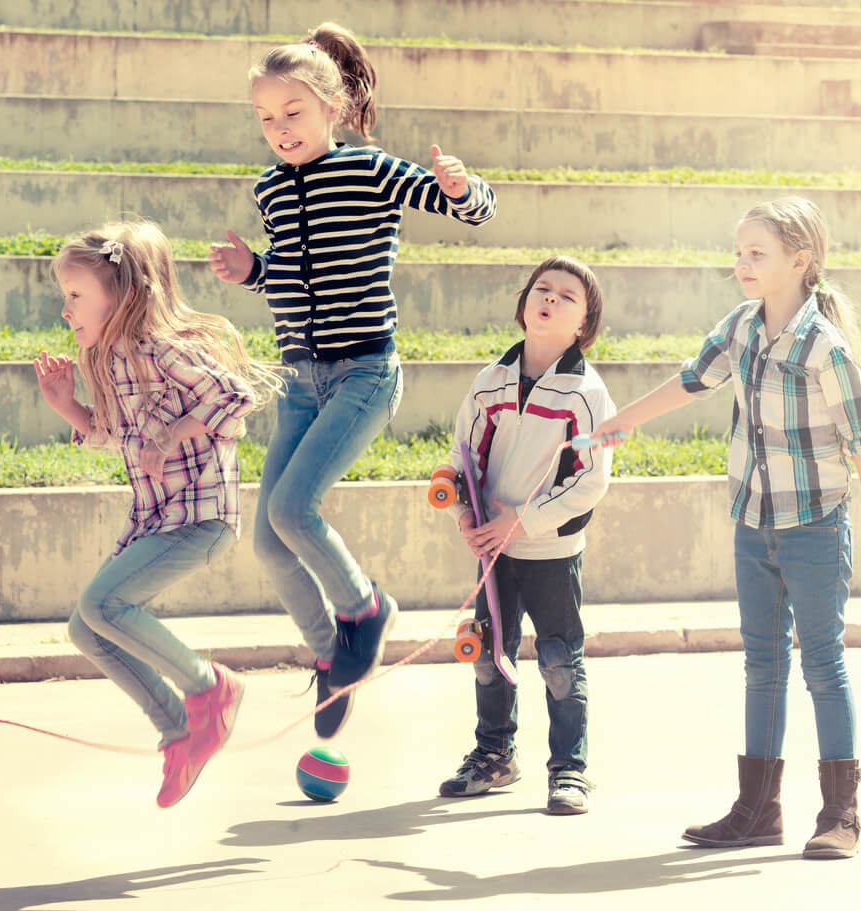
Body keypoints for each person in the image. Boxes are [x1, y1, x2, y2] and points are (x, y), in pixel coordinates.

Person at [592, 197, 861, 857]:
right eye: (739, 252)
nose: (742, 263)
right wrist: (621, 419)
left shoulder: (825, 346)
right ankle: (757, 808)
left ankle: (841, 813)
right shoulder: (740, 326)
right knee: (762, 663)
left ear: (800, 262)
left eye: (756, 253)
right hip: (753, 523)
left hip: (816, 525)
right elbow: (691, 381)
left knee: (822, 663)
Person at [209, 22, 497, 738]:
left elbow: (466, 208)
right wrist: (254, 273)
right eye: (266, 118)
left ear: (332, 108)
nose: (279, 130)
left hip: (364, 371)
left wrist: (465, 187)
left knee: (293, 510)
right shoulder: (271, 187)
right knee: (271, 542)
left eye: (293, 113)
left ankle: (366, 611)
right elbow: (294, 274)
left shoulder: (369, 169)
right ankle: (331, 660)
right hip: (302, 380)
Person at [33, 220, 283, 808]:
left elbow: (235, 397)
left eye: (75, 296)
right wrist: (68, 406)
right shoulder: (112, 359)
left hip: (199, 514)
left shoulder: (161, 348)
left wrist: (173, 433)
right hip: (157, 517)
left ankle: (209, 689)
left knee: (102, 606)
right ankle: (180, 732)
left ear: (120, 295)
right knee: (85, 626)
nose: (65, 310)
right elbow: (112, 434)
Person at [438, 256, 615, 815]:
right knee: (490, 656)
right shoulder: (489, 382)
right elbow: (460, 458)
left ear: (583, 324)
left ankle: (570, 770)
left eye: (567, 297)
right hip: (494, 550)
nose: (550, 299)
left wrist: (524, 519)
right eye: (542, 289)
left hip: (551, 552)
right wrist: (465, 511)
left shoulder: (586, 393)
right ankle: (494, 755)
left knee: (560, 660)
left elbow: (591, 483)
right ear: (523, 304)